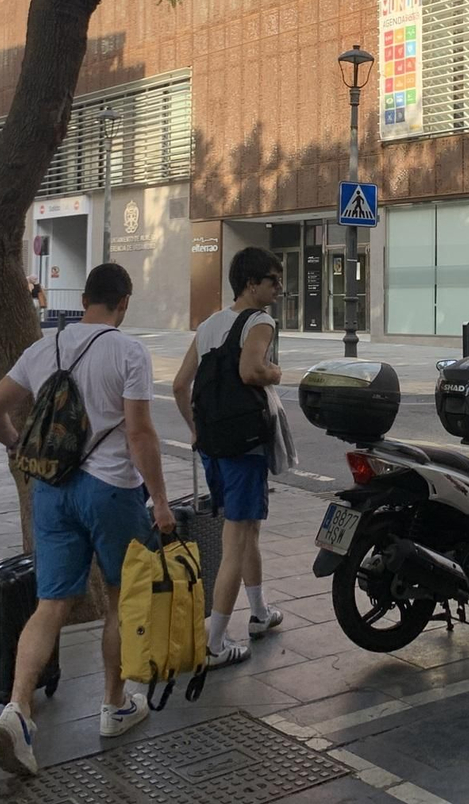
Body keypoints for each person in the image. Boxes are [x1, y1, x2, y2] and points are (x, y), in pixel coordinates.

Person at [0, 262, 174, 775]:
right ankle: (114, 705)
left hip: (52, 490)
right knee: (119, 600)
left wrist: (19, 446)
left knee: (51, 605)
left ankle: (18, 710)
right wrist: (160, 498)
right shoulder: (128, 351)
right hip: (112, 492)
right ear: (123, 302)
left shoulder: (45, 347)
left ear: (85, 298)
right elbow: (139, 434)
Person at [172, 246, 285, 670]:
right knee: (236, 540)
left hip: (214, 446)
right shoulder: (260, 321)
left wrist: (195, 430)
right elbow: (251, 371)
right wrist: (275, 372)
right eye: (273, 280)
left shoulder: (209, 325)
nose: (278, 288)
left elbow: (180, 385)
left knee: (247, 527)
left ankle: (259, 613)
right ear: (252, 284)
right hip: (245, 445)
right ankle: (214, 642)